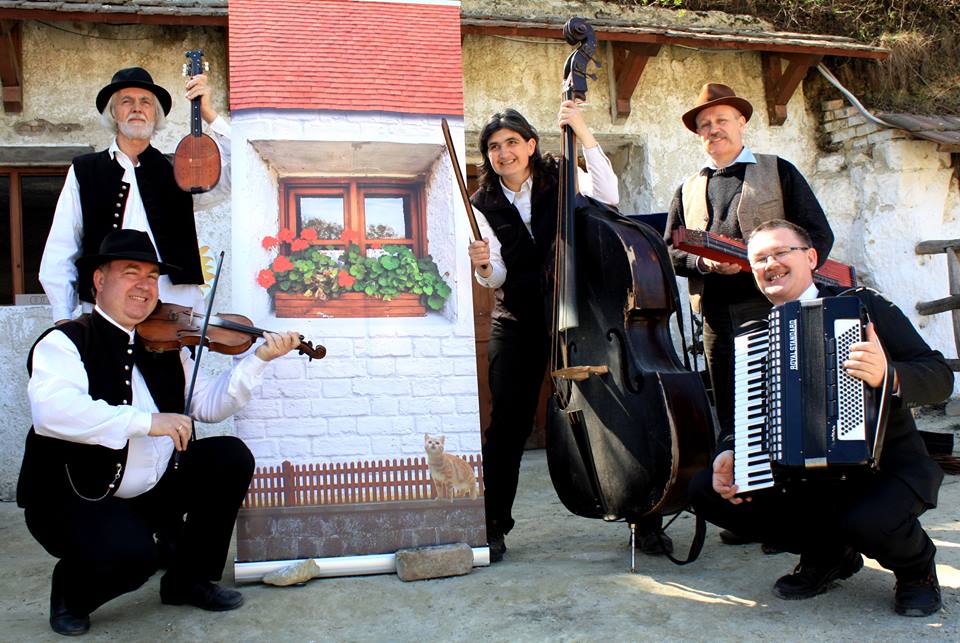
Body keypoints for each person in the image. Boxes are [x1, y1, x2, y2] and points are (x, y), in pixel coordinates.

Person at [18, 230, 302, 636]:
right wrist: (148, 422)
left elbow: (208, 406)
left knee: (229, 456)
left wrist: (258, 359)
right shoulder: (65, 342)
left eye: (152, 276)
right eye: (130, 272)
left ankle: (188, 579)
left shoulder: (166, 345)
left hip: (150, 492)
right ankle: (71, 591)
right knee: (136, 558)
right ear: (99, 280)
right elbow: (53, 413)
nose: (144, 285)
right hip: (78, 499)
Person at [688, 219, 952, 617]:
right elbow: (740, 417)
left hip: (883, 468)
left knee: (868, 521)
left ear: (811, 258)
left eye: (781, 252)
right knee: (706, 491)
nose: (770, 264)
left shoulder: (863, 306)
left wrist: (889, 374)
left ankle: (916, 570)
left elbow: (940, 378)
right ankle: (829, 554)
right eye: (759, 259)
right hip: (801, 479)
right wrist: (729, 450)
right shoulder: (753, 336)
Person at [467, 101, 621, 562]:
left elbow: (608, 195)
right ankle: (493, 525)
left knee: (611, 411)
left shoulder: (562, 174)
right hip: (517, 318)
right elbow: (496, 275)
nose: (504, 153)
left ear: (531, 145)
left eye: (512, 142)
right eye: (494, 147)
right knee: (507, 427)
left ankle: (642, 516)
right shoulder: (480, 203)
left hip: (577, 312)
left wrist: (582, 131)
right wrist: (483, 267)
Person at [664, 83, 834, 447]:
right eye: (705, 124)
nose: (713, 129)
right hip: (715, 315)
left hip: (774, 309)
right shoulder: (687, 188)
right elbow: (668, 252)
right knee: (730, 409)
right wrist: (703, 262)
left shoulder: (778, 171)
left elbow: (818, 236)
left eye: (721, 120)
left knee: (783, 401)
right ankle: (736, 471)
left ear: (741, 122)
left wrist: (791, 282)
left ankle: (789, 470)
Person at [40, 66, 232, 325]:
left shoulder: (179, 169)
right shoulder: (85, 170)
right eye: (126, 101)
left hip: (173, 312)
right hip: (105, 310)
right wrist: (63, 315)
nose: (137, 108)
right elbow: (62, 246)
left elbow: (241, 170)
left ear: (155, 114)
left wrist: (209, 114)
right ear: (113, 112)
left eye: (145, 102)